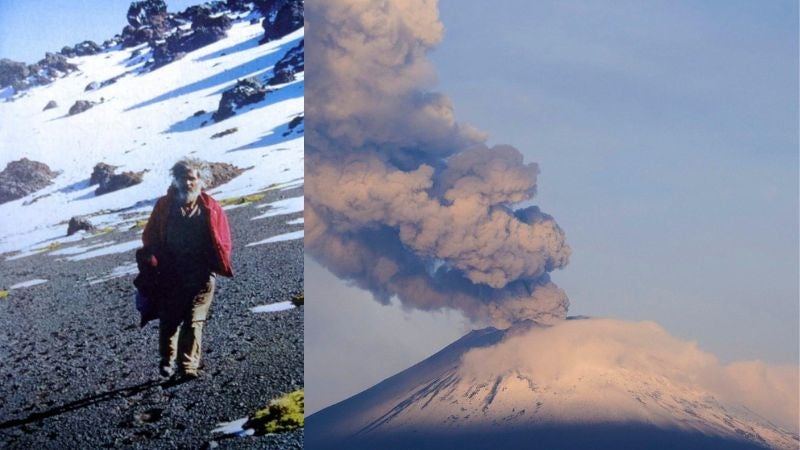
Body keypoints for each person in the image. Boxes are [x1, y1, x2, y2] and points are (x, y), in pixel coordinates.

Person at [141, 158, 233, 379]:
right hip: (171, 274)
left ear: (201, 181)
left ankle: (188, 366)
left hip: (201, 274)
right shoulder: (164, 206)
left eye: (192, 179)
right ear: (176, 181)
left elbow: (224, 239)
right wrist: (153, 261)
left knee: (194, 321)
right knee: (170, 319)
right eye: (184, 178)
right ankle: (167, 360)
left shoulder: (211, 207)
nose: (188, 183)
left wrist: (218, 262)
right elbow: (150, 235)